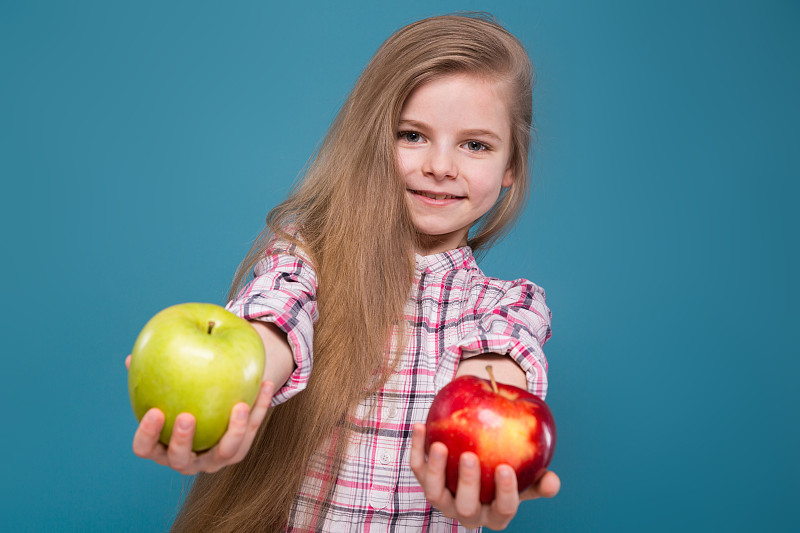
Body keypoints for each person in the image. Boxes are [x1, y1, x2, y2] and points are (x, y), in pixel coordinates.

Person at [128, 12, 560, 532]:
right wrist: (228, 406)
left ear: (511, 166)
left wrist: (481, 454)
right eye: (412, 135)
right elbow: (275, 321)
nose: (441, 165)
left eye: (475, 145)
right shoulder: (305, 258)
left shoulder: (507, 306)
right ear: (374, 141)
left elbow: (496, 378)